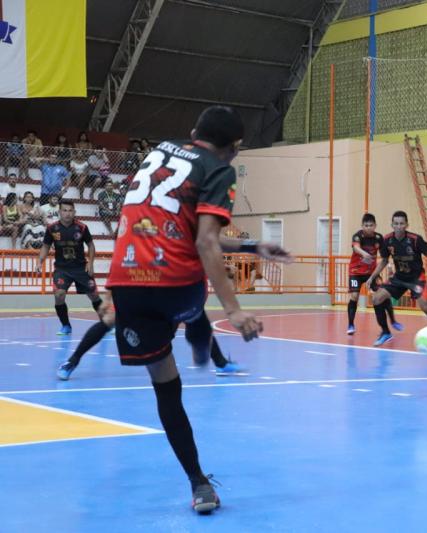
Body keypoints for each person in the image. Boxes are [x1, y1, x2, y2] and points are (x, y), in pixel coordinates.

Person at [105, 106, 292, 514]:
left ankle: (199, 483)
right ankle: (197, 329)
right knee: (192, 308)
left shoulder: (159, 152)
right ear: (234, 149)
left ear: (193, 131)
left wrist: (251, 246)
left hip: (127, 283)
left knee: (166, 388)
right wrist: (236, 309)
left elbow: (185, 230)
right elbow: (205, 243)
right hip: (176, 286)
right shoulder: (219, 168)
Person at [56, 295, 244, 380]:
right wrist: (109, 295)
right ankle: (72, 361)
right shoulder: (138, 230)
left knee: (195, 316)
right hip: (139, 285)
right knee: (110, 320)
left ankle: (220, 363)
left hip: (170, 287)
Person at [366, 210, 427, 348]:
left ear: (406, 224)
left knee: (425, 306)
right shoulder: (387, 240)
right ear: (392, 225)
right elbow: (383, 261)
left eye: (401, 223)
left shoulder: (415, 239)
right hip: (399, 277)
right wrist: (372, 276)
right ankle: (385, 332)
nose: (399, 226)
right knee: (376, 298)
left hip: (416, 278)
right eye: (396, 223)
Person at [37, 199, 102, 334]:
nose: (67, 213)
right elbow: (45, 246)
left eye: (70, 210)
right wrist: (40, 261)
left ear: (74, 212)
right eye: (64, 210)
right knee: (59, 295)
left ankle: (106, 322)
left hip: (81, 268)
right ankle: (66, 326)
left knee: (94, 295)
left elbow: (90, 245)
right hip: (62, 269)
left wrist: (90, 263)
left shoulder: (82, 227)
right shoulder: (52, 228)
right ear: (59, 212)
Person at [346, 212, 402, 335]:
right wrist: (364, 254)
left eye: (371, 225)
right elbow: (356, 247)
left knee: (383, 294)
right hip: (355, 271)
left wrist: (392, 265)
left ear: (375, 226)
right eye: (366, 225)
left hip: (372, 272)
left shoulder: (379, 238)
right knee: (354, 296)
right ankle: (350, 324)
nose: (368, 228)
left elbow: (385, 256)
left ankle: (393, 320)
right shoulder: (357, 236)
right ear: (362, 226)